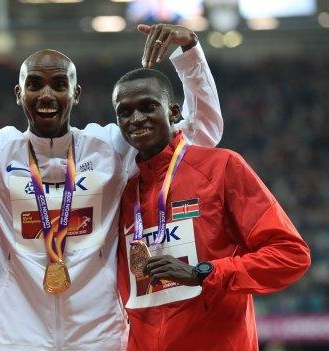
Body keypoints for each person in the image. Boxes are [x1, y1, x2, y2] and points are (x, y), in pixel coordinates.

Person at [0, 3, 223, 349]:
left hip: (98, 334)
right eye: (35, 84)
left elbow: (201, 133)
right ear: (19, 94)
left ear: (76, 93)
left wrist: (189, 51)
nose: (47, 94)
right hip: (12, 334)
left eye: (59, 84)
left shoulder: (111, 146)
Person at [113, 68, 311, 350]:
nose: (136, 119)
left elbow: (291, 255)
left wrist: (202, 273)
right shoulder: (123, 192)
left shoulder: (221, 167)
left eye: (148, 107)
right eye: (125, 112)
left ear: (173, 111)